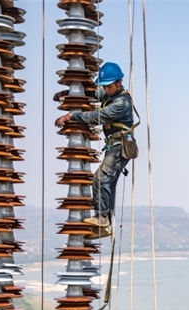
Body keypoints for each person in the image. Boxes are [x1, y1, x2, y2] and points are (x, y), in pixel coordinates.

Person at [55, 61, 135, 239]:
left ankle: (102, 218)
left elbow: (96, 116)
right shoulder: (109, 93)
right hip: (114, 145)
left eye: (108, 86)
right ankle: (104, 224)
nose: (105, 89)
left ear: (119, 83)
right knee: (108, 183)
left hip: (120, 146)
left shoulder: (122, 102)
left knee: (101, 178)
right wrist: (68, 94)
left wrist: (71, 116)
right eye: (104, 86)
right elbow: (93, 93)